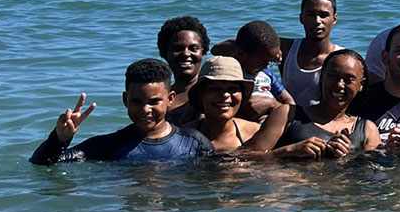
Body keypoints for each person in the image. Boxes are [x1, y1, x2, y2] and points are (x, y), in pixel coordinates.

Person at [31, 58, 213, 164]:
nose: (145, 109)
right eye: (136, 101)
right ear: (125, 100)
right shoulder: (109, 145)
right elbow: (43, 164)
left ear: (170, 99)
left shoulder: (194, 144)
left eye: (154, 101)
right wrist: (59, 139)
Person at [272, 49, 380, 158]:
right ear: (322, 77)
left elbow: (373, 169)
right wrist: (292, 150)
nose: (339, 85)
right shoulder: (287, 114)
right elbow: (254, 157)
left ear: (361, 84)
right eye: (333, 76)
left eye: (349, 79)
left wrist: (348, 157)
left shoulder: (367, 130)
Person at [188, 57, 287, 153]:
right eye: (215, 89)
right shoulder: (184, 137)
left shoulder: (256, 134)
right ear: (201, 94)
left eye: (233, 89)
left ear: (242, 95)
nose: (225, 95)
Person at [214, 20, 295, 121]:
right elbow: (216, 49)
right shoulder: (233, 74)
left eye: (269, 61)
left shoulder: (266, 74)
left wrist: (273, 106)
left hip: (271, 119)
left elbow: (288, 100)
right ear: (240, 54)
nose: (266, 65)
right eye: (260, 62)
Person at [279, 0, 342, 107]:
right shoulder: (285, 49)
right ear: (301, 18)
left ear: (334, 19)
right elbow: (244, 43)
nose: (317, 21)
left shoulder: (342, 59)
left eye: (323, 15)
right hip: (289, 121)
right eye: (310, 14)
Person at [157, 15, 210, 120]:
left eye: (193, 48)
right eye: (177, 48)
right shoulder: (160, 98)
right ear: (165, 53)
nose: (186, 54)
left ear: (203, 52)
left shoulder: (213, 91)